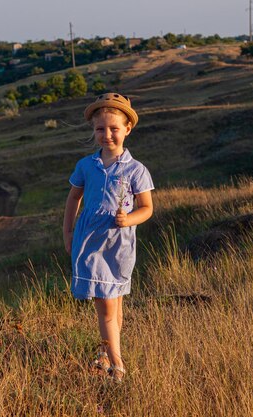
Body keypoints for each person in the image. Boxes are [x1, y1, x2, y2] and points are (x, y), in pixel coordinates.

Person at [63, 93, 154, 382]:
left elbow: (147, 208)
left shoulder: (136, 170)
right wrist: (68, 232)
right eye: (100, 129)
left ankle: (105, 354)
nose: (106, 135)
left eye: (114, 128)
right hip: (90, 244)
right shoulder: (86, 166)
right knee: (105, 306)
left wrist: (129, 219)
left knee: (115, 306)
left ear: (127, 129)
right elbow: (73, 199)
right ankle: (117, 364)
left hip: (119, 246)